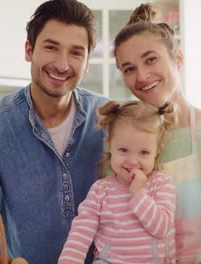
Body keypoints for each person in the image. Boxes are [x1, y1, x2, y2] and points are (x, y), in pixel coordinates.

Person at [0, 1, 107, 263]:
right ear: (29, 49)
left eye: (76, 53)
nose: (63, 65)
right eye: (51, 47)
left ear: (88, 62)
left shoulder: (110, 120)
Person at [113, 3, 201, 263]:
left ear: (178, 58)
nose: (142, 76)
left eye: (150, 59)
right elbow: (114, 227)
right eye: (129, 68)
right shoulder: (119, 145)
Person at [58, 100, 177, 264]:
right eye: (123, 150)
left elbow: (162, 228)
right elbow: (81, 231)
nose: (133, 161)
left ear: (157, 152)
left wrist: (138, 194)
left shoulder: (162, 184)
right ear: (110, 146)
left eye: (144, 152)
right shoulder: (101, 190)